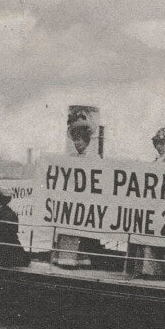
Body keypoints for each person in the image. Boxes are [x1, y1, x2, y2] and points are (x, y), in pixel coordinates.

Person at [131, 126, 165, 277]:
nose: (159, 146)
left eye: (162, 143)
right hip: (154, 204)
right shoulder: (155, 161)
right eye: (157, 143)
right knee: (151, 236)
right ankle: (149, 269)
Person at [52, 113, 102, 268]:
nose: (77, 143)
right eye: (75, 140)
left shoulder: (94, 158)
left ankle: (80, 259)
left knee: (80, 231)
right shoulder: (70, 157)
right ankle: (64, 258)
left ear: (86, 141)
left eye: (79, 140)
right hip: (70, 200)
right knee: (66, 229)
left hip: (85, 201)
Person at [0, 186, 30, 267]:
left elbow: (2, 236)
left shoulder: (2, 214)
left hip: (5, 248)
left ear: (0, 199)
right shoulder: (10, 212)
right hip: (13, 246)